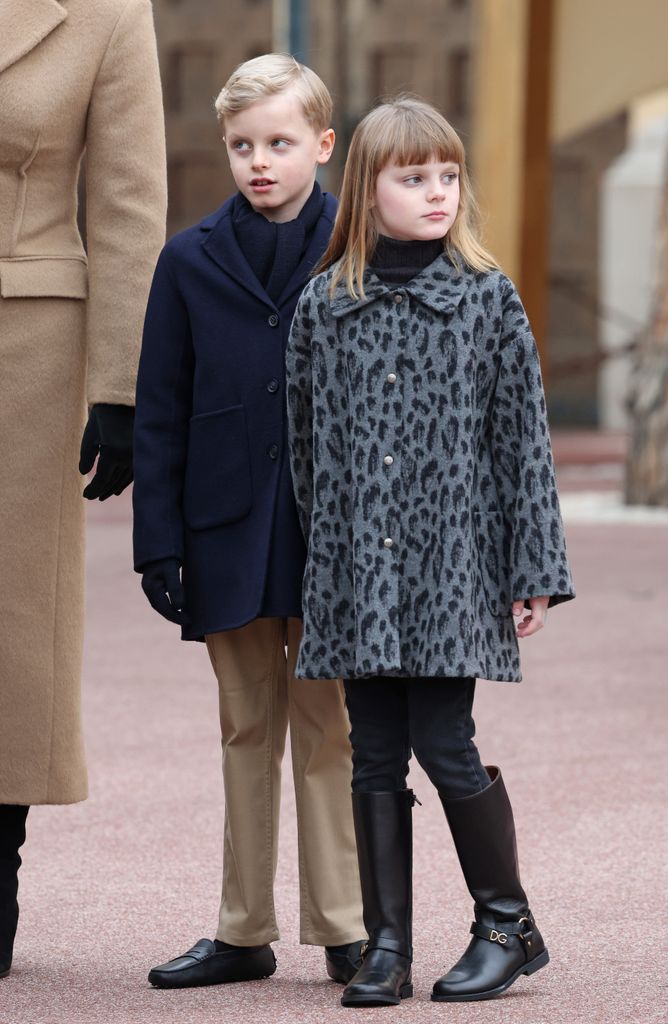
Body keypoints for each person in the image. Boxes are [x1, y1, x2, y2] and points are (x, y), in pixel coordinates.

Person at [285, 96, 576, 1008]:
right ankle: (386, 945)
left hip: (454, 571)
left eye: (448, 175)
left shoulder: (486, 300)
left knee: (445, 742)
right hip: (355, 575)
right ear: (368, 193)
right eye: (414, 178)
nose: (437, 192)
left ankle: (504, 923)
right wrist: (328, 556)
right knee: (371, 752)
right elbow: (305, 449)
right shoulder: (323, 309)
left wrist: (533, 572)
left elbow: (522, 445)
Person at [133, 54, 365, 991]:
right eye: (240, 146)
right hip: (225, 526)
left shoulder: (360, 251)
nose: (257, 163)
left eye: (277, 143)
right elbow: (160, 407)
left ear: (322, 144)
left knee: (329, 725)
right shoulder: (188, 259)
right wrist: (159, 541)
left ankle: (346, 926)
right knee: (242, 725)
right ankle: (241, 930)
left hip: (331, 535)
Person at [0, 0, 166, 979]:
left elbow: (128, 197)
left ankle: (0, 853)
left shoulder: (105, 8)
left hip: (24, 346)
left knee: (14, 616)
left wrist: (121, 386)